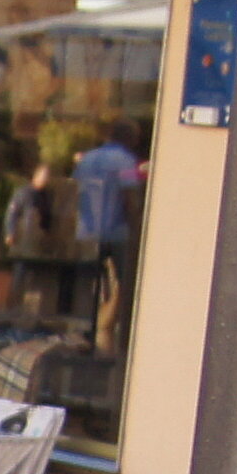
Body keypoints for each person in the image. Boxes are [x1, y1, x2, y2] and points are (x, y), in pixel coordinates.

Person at [73, 118, 147, 352]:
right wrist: (137, 226)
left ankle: (85, 330)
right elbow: (131, 198)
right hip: (117, 232)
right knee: (121, 284)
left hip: (87, 232)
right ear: (128, 138)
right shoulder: (125, 160)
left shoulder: (88, 159)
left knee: (89, 285)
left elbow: (75, 192)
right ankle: (109, 331)